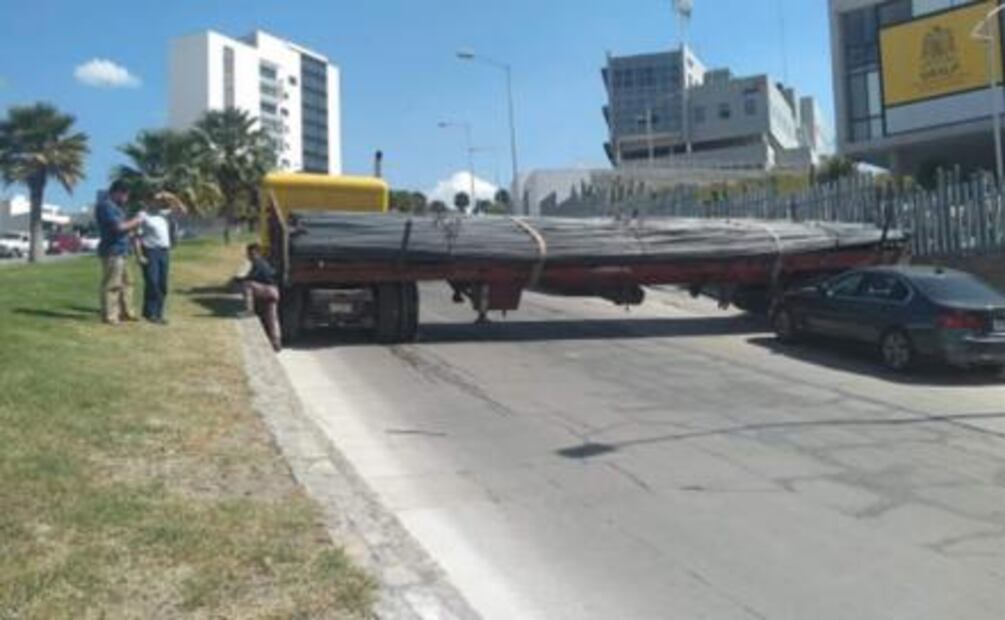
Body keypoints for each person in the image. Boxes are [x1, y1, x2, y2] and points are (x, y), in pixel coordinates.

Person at [95, 180, 145, 325]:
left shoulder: (118, 208)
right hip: (112, 250)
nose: (127, 198)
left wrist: (133, 230)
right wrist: (137, 220)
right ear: (117, 192)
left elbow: (125, 228)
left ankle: (127, 312)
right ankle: (110, 316)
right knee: (112, 284)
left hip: (124, 250)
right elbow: (118, 227)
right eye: (125, 195)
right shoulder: (105, 206)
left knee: (128, 283)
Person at [135, 195, 185, 324]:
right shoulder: (143, 215)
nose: (158, 203)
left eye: (160, 201)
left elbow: (183, 210)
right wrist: (139, 255)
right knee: (152, 281)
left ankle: (158, 313)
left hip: (164, 251)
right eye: (155, 200)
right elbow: (137, 237)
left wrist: (171, 196)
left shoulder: (164, 214)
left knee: (162, 284)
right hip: (150, 251)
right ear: (149, 201)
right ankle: (151, 313)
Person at [234, 243, 282, 351]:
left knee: (247, 285)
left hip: (268, 290)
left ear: (256, 253)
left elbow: (251, 277)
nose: (248, 256)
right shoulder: (264, 263)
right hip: (274, 292)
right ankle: (276, 341)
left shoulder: (258, 263)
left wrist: (238, 280)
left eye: (250, 254)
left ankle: (249, 310)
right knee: (273, 319)